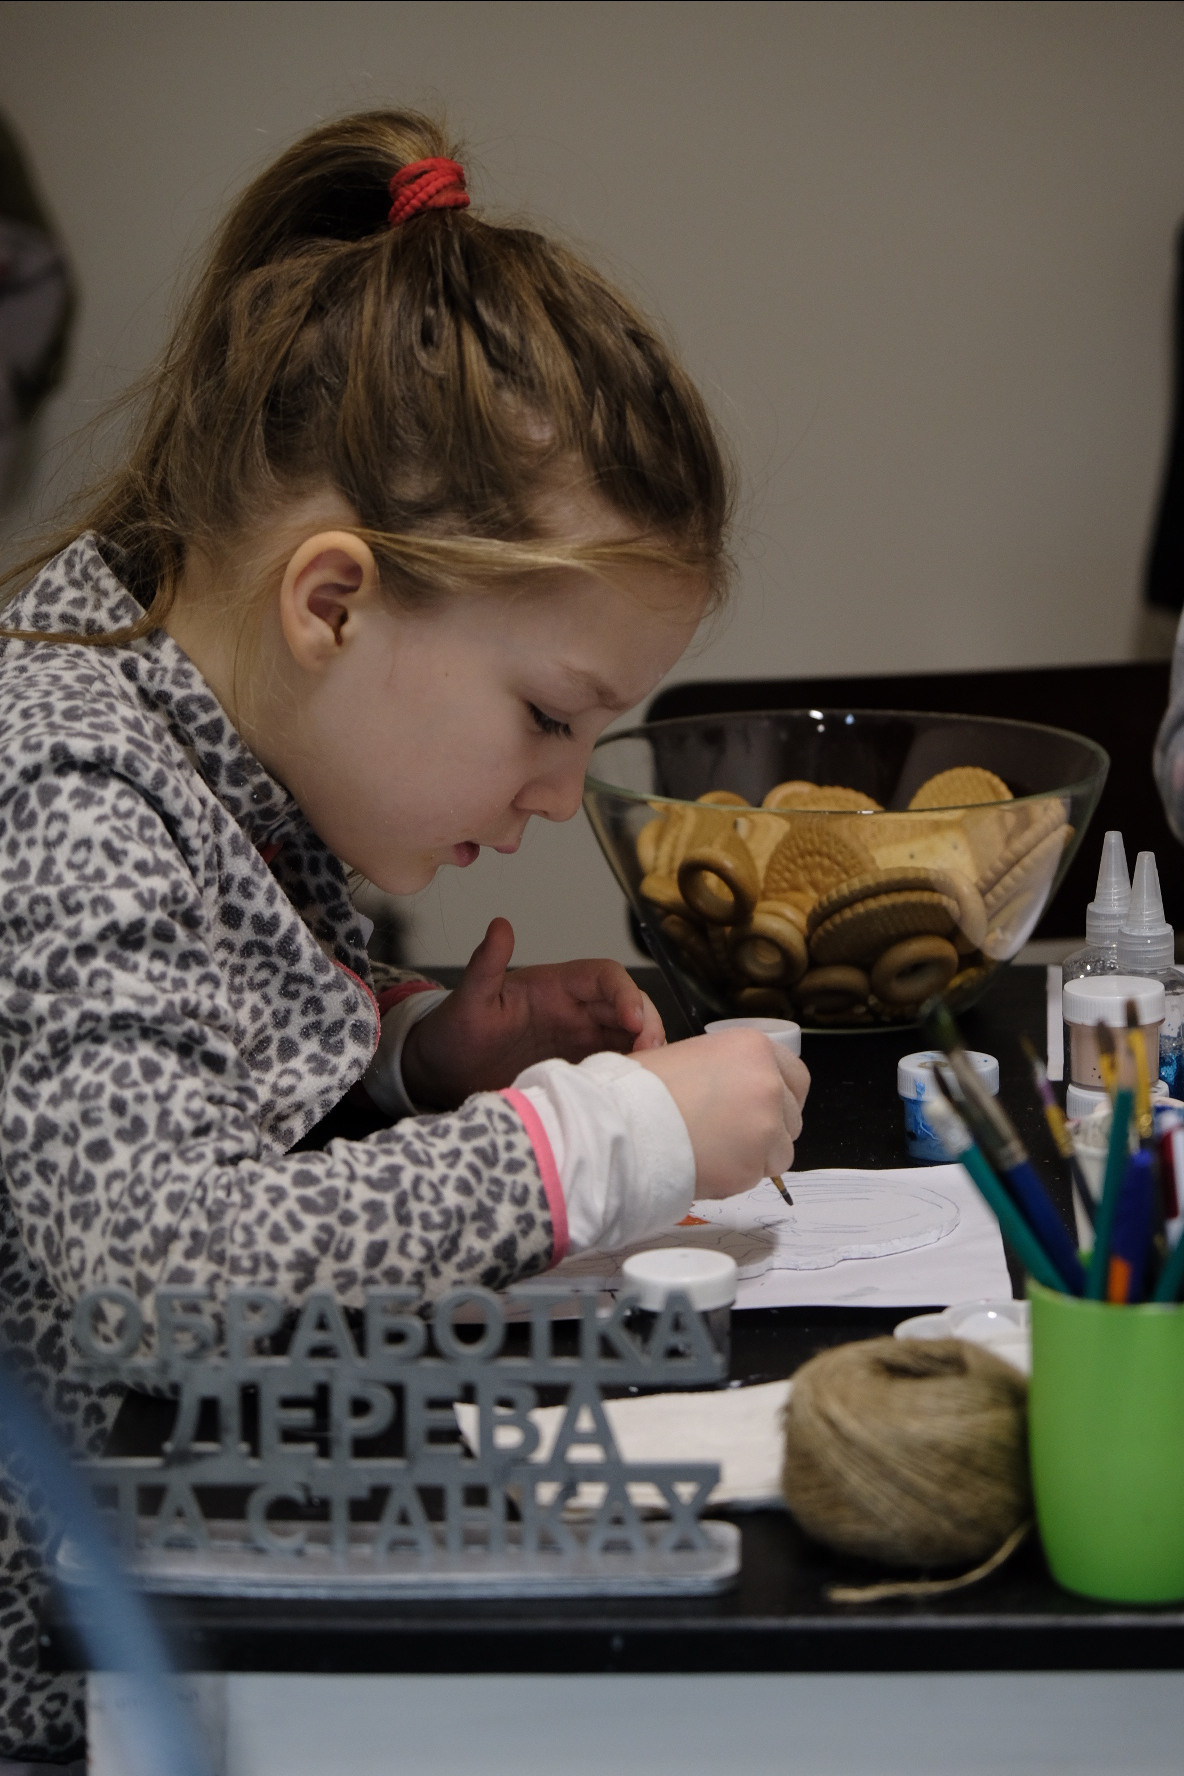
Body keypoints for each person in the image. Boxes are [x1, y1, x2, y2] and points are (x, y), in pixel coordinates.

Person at [0, 111, 809, 1763]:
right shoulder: (64, 769)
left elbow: (157, 1069)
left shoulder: (214, 729)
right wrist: (603, 1141)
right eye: (546, 715)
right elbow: (152, 1275)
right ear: (335, 600)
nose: (557, 792)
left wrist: (409, 1055)